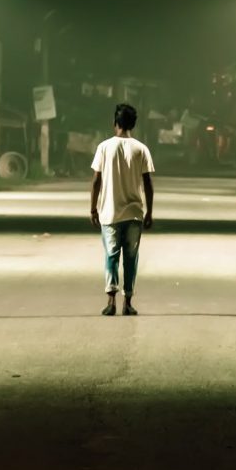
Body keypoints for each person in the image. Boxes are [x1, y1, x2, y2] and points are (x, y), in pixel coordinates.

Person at [89, 103, 154, 316]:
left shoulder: (104, 147)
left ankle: (111, 302)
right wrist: (150, 212)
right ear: (133, 124)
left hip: (109, 213)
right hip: (135, 213)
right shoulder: (141, 149)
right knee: (131, 259)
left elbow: (96, 181)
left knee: (111, 257)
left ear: (115, 123)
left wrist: (93, 209)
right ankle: (128, 303)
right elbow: (148, 184)